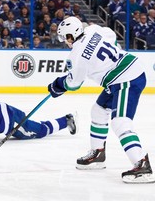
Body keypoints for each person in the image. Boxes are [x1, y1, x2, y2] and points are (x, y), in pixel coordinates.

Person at [47, 16, 154, 183]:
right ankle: (98, 153)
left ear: (70, 36)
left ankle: (142, 164)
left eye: (64, 38)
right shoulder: (92, 30)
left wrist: (57, 85)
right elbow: (110, 35)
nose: (64, 42)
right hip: (124, 72)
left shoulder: (75, 55)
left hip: (127, 79)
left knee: (120, 122)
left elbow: (73, 83)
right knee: (98, 111)